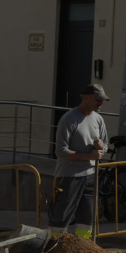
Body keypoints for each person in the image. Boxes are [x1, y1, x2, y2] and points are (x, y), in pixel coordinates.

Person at [49, 83, 109, 240]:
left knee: (86, 217)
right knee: (61, 215)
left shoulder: (98, 119)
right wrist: (90, 156)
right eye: (98, 99)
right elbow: (61, 152)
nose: (100, 103)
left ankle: (84, 249)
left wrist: (102, 146)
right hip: (69, 176)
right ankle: (55, 247)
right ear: (86, 97)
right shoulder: (69, 119)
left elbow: (105, 146)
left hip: (90, 176)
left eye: (103, 100)